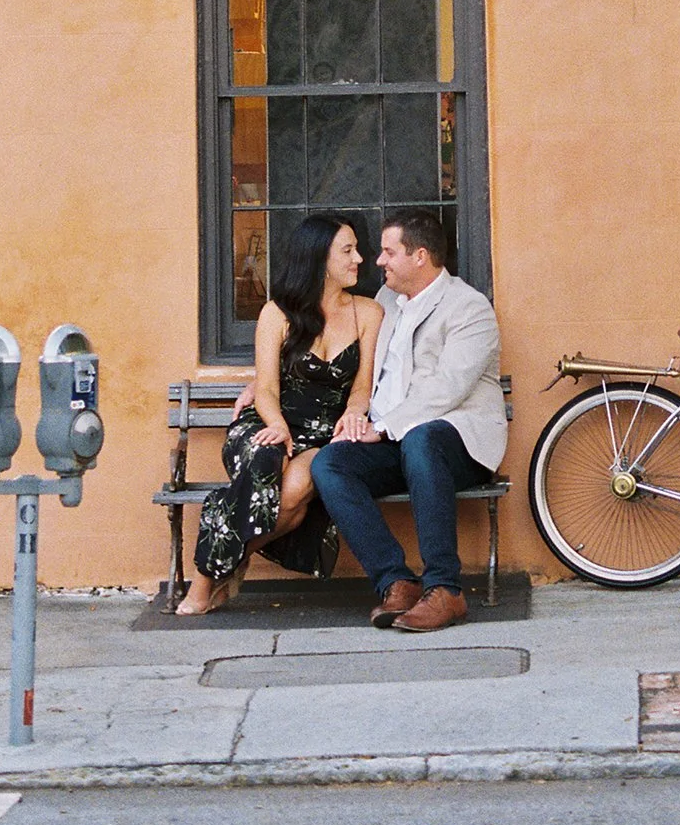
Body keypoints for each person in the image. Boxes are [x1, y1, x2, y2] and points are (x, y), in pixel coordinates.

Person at [175, 210, 383, 616]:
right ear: (319, 259)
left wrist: (356, 412)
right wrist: (278, 426)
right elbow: (266, 387)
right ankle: (211, 578)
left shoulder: (369, 313)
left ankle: (209, 575)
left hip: (324, 435)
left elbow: (363, 386)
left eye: (356, 249)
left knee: (291, 499)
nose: (359, 259)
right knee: (264, 467)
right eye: (348, 250)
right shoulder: (277, 313)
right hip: (268, 421)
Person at [310, 207, 505, 633]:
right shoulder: (385, 304)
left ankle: (445, 588)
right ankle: (396, 581)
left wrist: (383, 428)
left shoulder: (469, 308)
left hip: (457, 444)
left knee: (422, 438)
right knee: (329, 463)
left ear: (420, 256)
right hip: (393, 442)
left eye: (387, 252)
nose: (377, 261)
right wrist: (263, 382)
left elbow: (447, 390)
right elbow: (338, 350)